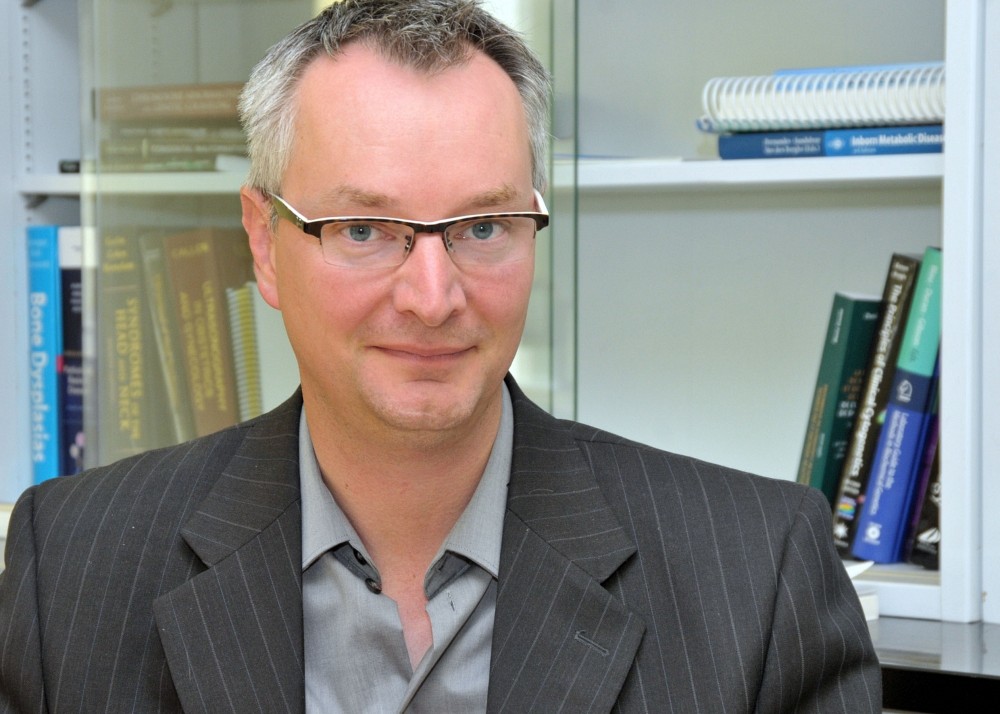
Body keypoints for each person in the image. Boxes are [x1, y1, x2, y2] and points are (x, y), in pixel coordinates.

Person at [0, 1, 882, 711]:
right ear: (264, 245)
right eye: (363, 229)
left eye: (483, 226)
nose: (432, 298)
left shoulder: (757, 574)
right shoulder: (73, 564)